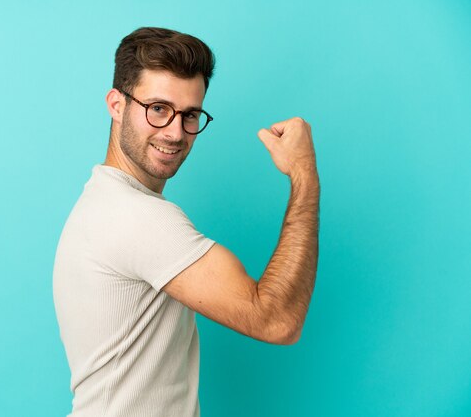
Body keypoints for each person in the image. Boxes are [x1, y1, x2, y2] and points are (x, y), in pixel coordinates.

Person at [53, 27, 320, 417]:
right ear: (116, 104)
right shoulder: (135, 217)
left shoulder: (101, 202)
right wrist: (304, 174)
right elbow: (277, 320)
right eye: (158, 109)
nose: (175, 132)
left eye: (190, 114)